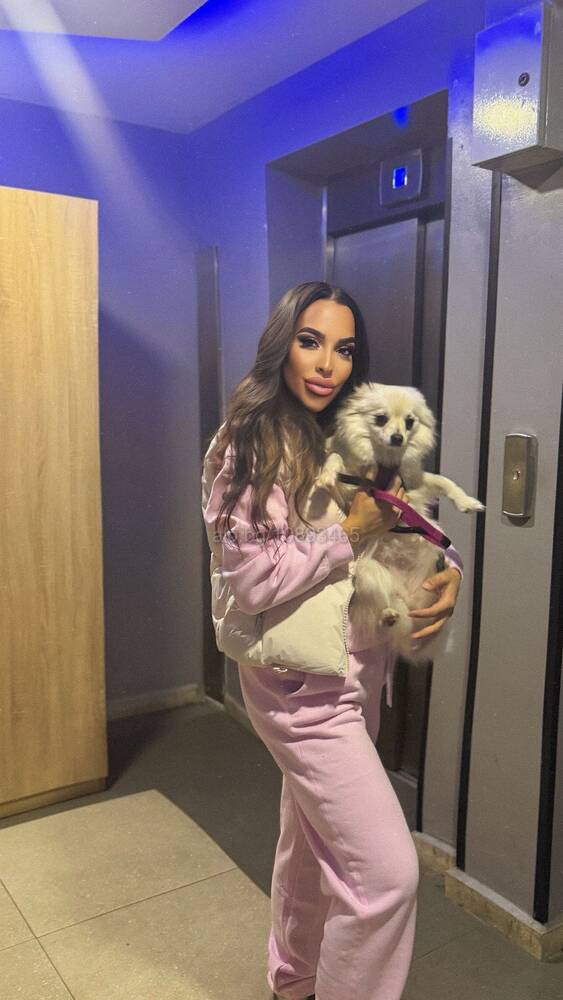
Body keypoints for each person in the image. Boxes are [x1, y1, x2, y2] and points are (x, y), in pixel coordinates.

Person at [200, 282, 463, 1000]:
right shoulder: (248, 443)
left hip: (359, 669)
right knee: (385, 877)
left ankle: (294, 982)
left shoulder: (349, 433)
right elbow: (252, 579)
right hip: (299, 687)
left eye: (344, 349)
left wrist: (449, 569)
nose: (327, 364)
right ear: (281, 343)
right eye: (310, 341)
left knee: (311, 846)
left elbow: (407, 520)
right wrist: (346, 534)